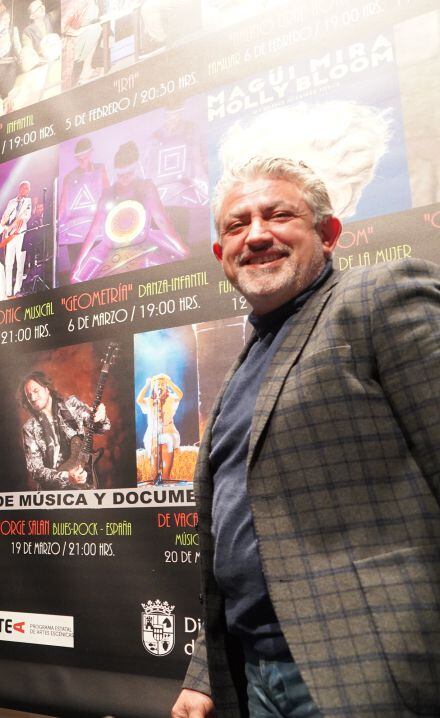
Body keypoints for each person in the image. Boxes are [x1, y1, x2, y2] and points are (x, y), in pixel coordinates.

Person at [171, 157, 440, 717]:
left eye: (278, 215)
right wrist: (203, 671)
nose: (257, 235)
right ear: (221, 256)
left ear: (328, 233)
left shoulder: (378, 296)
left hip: (372, 669)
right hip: (255, 675)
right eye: (237, 225)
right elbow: (239, 534)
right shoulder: (248, 361)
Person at [72, 140, 186, 281]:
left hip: (143, 244)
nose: (125, 178)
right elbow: (94, 230)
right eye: (121, 174)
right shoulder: (108, 194)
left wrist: (182, 247)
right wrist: (78, 263)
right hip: (112, 250)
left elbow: (162, 221)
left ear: (136, 168)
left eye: (129, 173)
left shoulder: (146, 188)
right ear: (116, 172)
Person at [19, 370, 109, 490]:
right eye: (28, 396)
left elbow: (101, 428)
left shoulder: (72, 405)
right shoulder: (29, 428)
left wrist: (101, 417)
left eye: (36, 391)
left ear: (47, 388)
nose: (33, 398)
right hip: (53, 493)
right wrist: (67, 477)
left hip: (85, 480)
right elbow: (36, 470)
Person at [58, 137, 109, 278]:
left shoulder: (100, 169)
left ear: (91, 153)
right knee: (77, 271)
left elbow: (108, 192)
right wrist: (57, 226)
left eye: (84, 158)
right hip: (75, 232)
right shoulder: (69, 177)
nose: (81, 162)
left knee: (100, 269)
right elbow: (63, 204)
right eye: (78, 159)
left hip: (97, 228)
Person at [136, 373, 182, 484]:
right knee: (154, 445)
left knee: (167, 442)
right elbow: (139, 400)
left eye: (163, 383)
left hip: (169, 431)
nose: (160, 385)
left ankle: (166, 477)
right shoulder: (150, 401)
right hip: (153, 432)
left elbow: (180, 395)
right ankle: (155, 478)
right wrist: (147, 385)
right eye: (158, 383)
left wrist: (170, 382)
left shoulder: (171, 399)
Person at [0, 180, 34, 297]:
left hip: (20, 234)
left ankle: (17, 289)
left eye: (28, 188)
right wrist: (4, 228)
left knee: (20, 263)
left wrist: (12, 226)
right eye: (25, 188)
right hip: (9, 235)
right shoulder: (11, 202)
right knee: (8, 263)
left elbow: (25, 217)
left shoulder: (28, 202)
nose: (27, 190)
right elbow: (5, 216)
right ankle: (7, 290)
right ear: (20, 188)